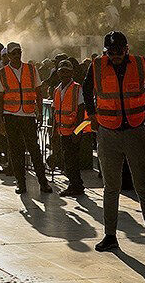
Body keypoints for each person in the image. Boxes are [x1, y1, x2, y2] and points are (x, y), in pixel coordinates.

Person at [83, 31, 145, 252]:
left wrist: (142, 100)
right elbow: (86, 88)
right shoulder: (97, 65)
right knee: (111, 188)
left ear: (126, 49)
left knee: (143, 187)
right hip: (108, 133)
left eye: (118, 51)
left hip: (135, 130)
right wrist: (91, 114)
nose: (115, 56)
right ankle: (110, 236)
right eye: (111, 52)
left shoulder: (139, 63)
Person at [0, 42, 52, 195]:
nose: (16, 55)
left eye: (18, 52)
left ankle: (43, 183)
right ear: (8, 55)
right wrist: (0, 121)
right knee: (16, 152)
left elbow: (39, 92)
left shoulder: (31, 69)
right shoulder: (3, 72)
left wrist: (39, 111)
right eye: (13, 53)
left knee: (34, 151)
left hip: (28, 115)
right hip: (11, 115)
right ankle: (21, 183)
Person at [52, 59, 87, 197]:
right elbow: (55, 111)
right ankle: (75, 184)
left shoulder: (77, 88)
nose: (64, 74)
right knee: (67, 160)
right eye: (61, 72)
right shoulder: (57, 90)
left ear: (72, 72)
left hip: (72, 131)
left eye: (67, 71)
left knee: (72, 160)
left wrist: (77, 131)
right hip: (62, 131)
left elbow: (81, 110)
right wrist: (54, 131)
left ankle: (76, 186)